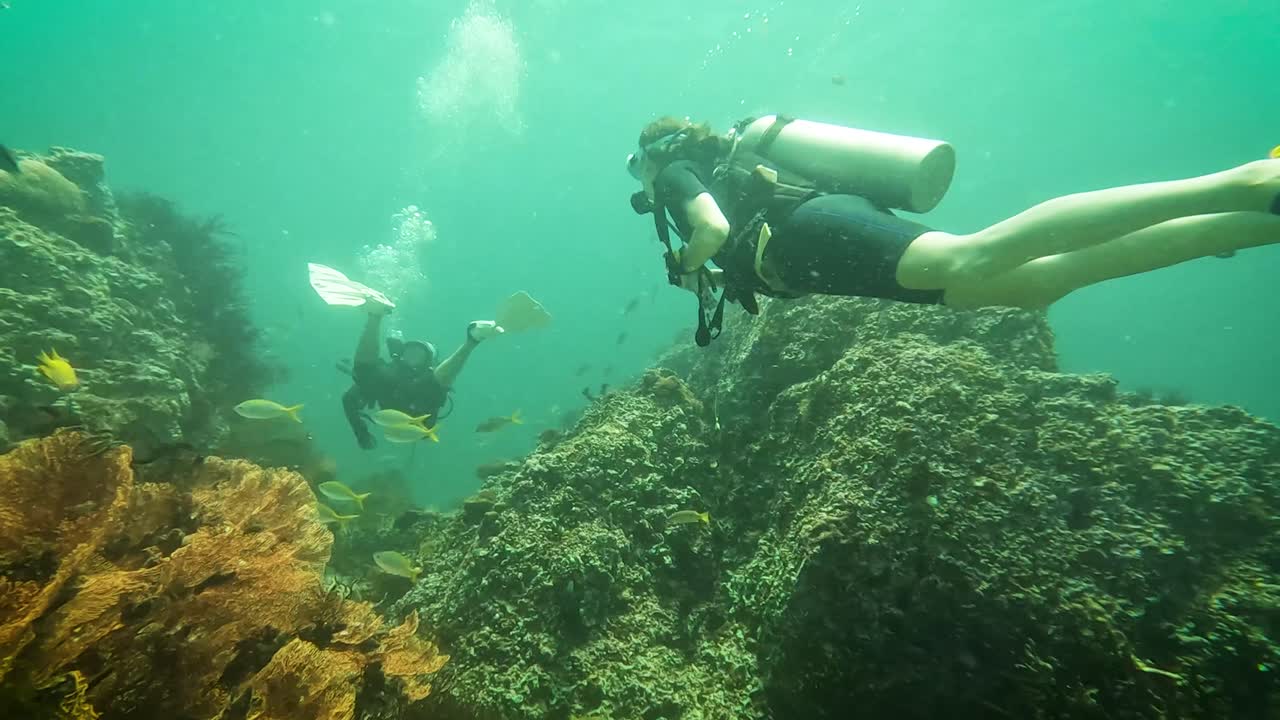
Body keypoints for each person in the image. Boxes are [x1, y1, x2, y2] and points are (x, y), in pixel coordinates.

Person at [626, 115, 1280, 345]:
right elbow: (730, 243)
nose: (643, 182)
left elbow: (710, 227)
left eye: (640, 167)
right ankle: (1252, 223)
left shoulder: (680, 170)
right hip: (818, 250)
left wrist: (688, 263)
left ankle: (1246, 181)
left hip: (811, 233)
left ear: (659, 156)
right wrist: (708, 275)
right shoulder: (717, 168)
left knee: (977, 255)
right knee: (1037, 284)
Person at [341, 300, 500, 449]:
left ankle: (375, 316)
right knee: (366, 372)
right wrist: (360, 432)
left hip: (410, 393)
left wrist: (361, 433)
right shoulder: (396, 371)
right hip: (403, 392)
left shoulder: (428, 377)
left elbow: (351, 395)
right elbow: (350, 397)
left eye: (418, 354)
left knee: (434, 382)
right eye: (409, 352)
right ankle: (472, 340)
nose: (411, 357)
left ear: (428, 361)